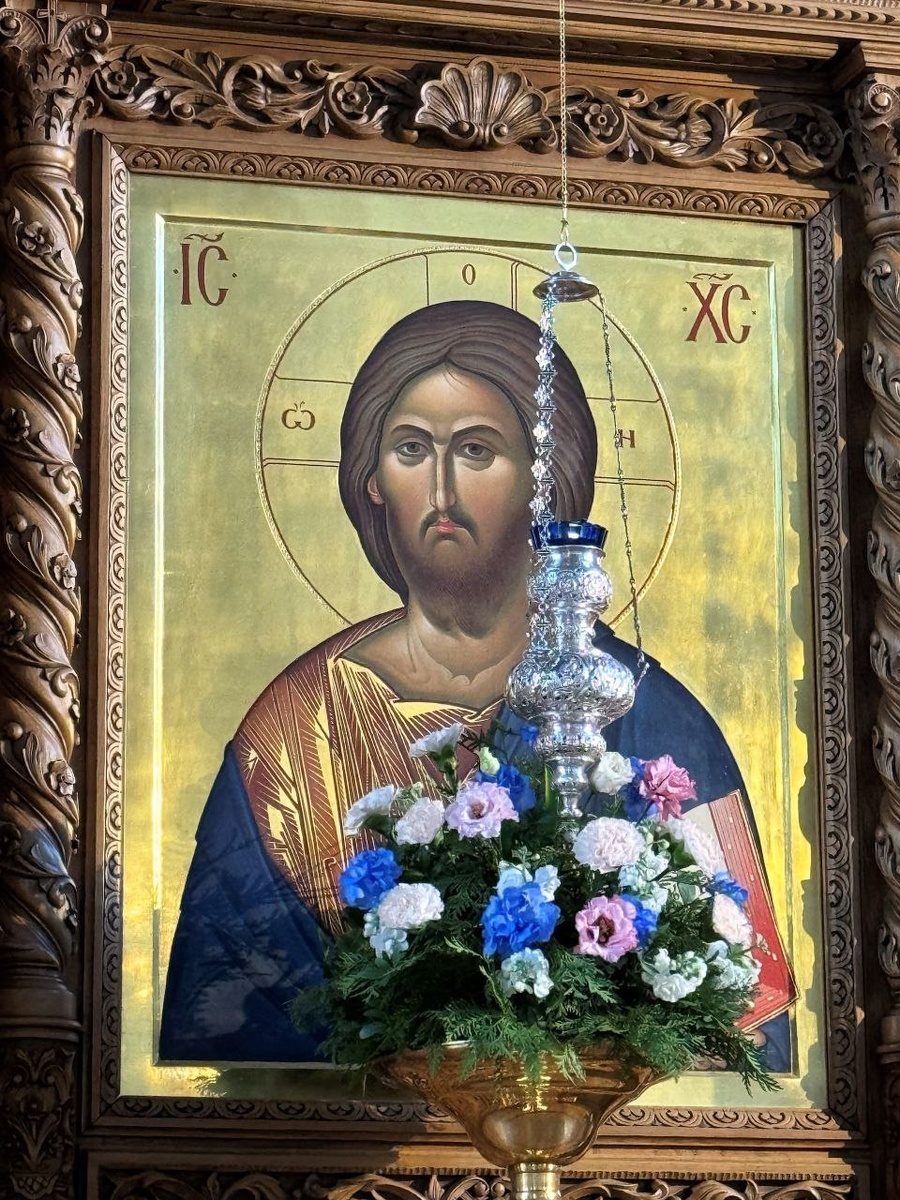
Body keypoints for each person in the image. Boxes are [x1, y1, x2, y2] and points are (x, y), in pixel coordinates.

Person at [160, 300, 793, 1066]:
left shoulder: (646, 711)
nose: (441, 492)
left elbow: (746, 1010)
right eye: (410, 449)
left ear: (544, 483)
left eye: (476, 450)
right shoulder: (293, 732)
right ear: (371, 480)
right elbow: (224, 1025)